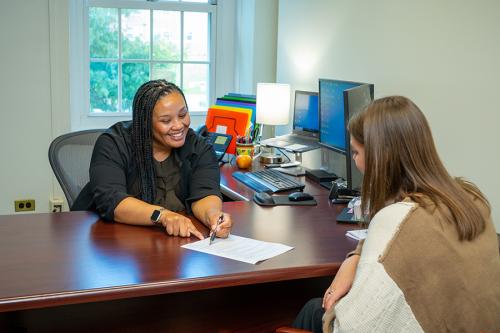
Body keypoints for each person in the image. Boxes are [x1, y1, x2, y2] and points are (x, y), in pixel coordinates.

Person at [293, 96, 500, 332]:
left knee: (313, 309)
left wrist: (334, 308)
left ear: (380, 157)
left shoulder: (394, 219)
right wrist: (355, 257)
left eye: (356, 152)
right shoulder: (470, 198)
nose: (355, 161)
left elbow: (352, 327)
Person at [73, 79, 232, 240]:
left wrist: (213, 216)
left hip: (170, 242)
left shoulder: (199, 147)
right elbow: (112, 200)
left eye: (183, 115)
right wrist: (162, 215)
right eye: (166, 120)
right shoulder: (114, 143)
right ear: (145, 122)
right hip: (114, 242)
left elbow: (204, 193)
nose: (178, 125)